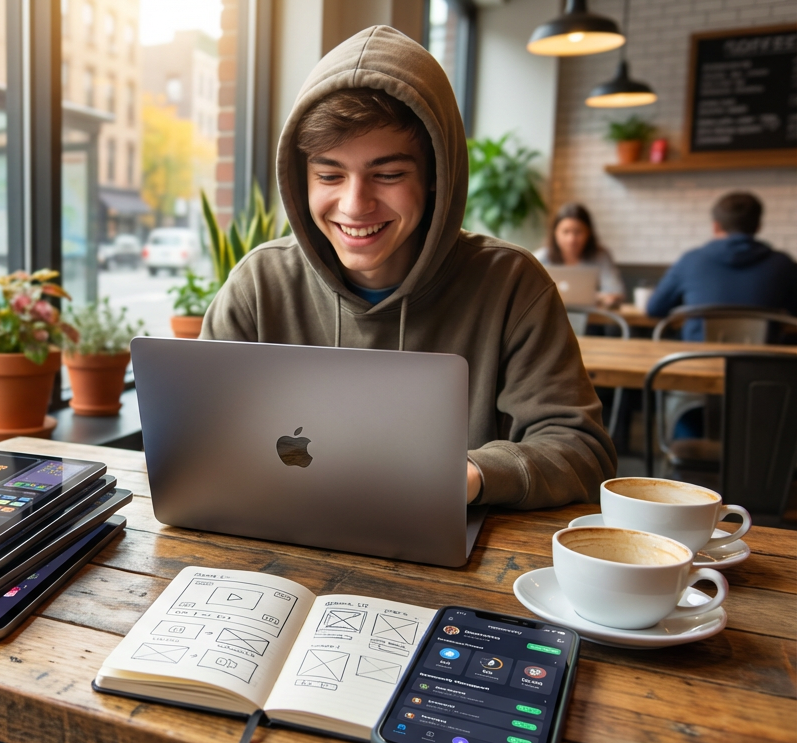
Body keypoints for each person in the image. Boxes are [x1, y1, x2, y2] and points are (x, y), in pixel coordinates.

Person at [201, 26, 615, 509]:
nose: (355, 205)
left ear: (436, 175)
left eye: (389, 174)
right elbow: (201, 434)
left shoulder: (512, 285)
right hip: (276, 535)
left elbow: (581, 450)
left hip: (452, 545)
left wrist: (475, 474)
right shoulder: (258, 285)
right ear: (302, 178)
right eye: (329, 175)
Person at [646, 191, 797, 341]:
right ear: (758, 226)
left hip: (695, 355)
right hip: (762, 356)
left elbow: (655, 309)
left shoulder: (690, 260)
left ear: (716, 226)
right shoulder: (783, 264)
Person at [536, 203, 625, 308]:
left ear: (588, 233)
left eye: (578, 232)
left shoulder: (600, 256)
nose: (571, 239)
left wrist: (595, 297)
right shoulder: (541, 258)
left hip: (591, 316)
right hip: (552, 314)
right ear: (555, 233)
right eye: (565, 232)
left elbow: (615, 292)